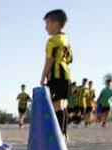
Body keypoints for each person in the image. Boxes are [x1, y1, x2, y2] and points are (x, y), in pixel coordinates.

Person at [40, 9, 73, 138]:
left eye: (47, 23)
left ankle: (58, 134)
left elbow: (49, 60)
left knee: (56, 105)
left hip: (56, 77)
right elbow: (70, 59)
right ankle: (64, 133)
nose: (45, 27)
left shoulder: (52, 41)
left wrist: (43, 77)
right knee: (63, 104)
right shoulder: (66, 39)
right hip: (67, 77)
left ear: (55, 23)